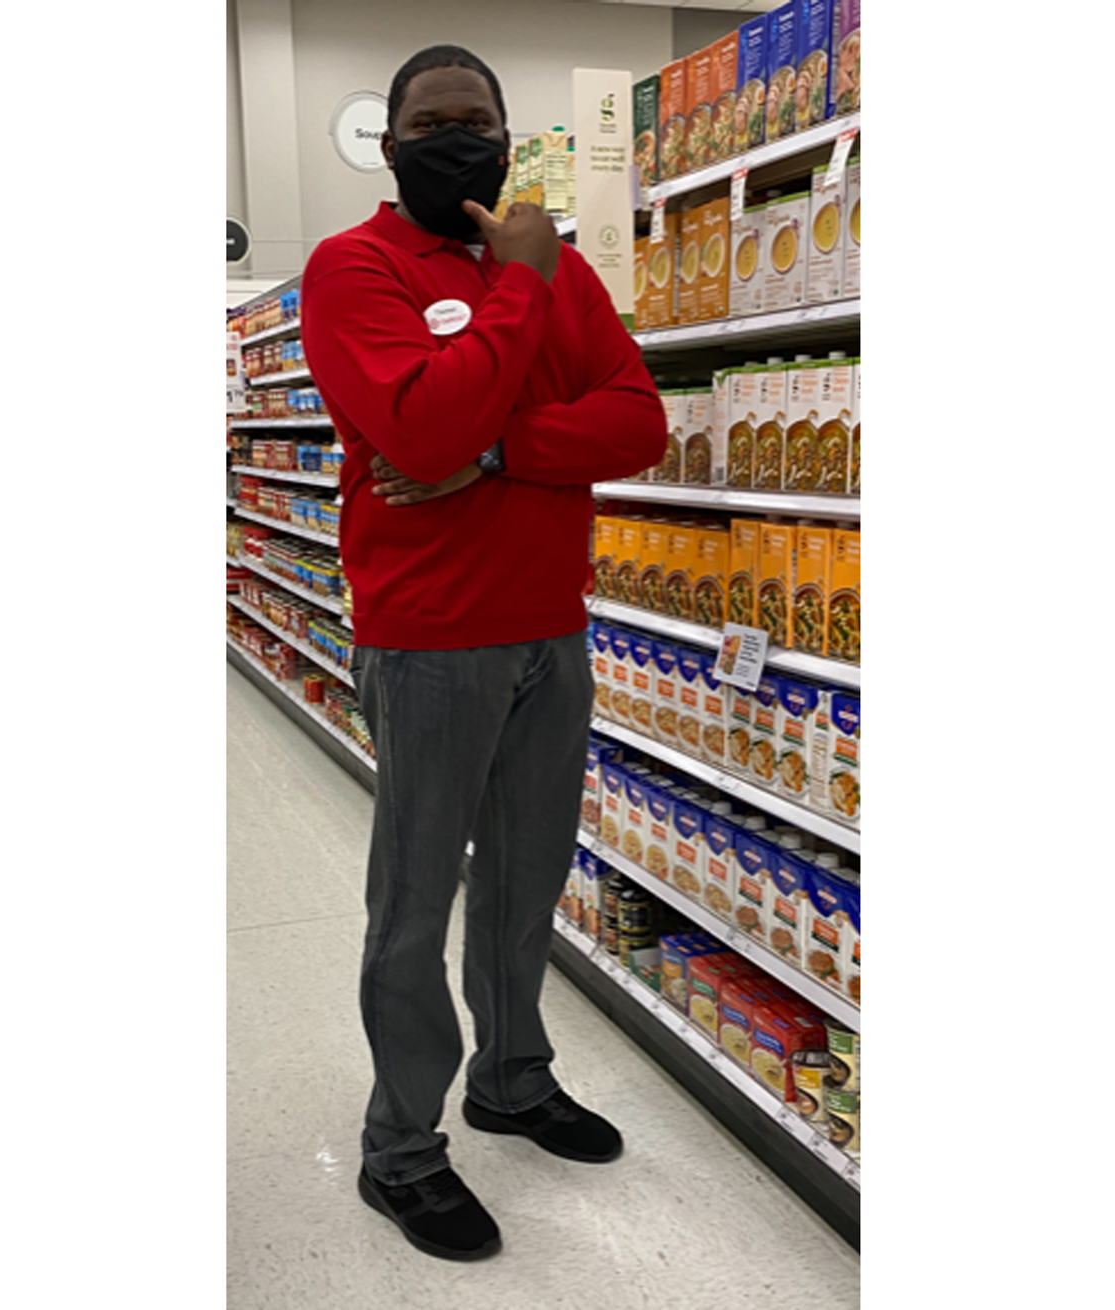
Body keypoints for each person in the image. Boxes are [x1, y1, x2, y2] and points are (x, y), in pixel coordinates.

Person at [300, 44, 666, 1263]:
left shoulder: (556, 273)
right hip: (428, 638)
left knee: (522, 888)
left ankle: (512, 1077)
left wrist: (500, 453)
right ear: (390, 139)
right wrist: (513, 288)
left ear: (509, 140)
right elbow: (418, 421)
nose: (454, 138)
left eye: (477, 120)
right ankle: (400, 1146)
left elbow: (639, 418)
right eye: (430, 120)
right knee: (411, 908)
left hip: (549, 629)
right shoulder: (353, 266)